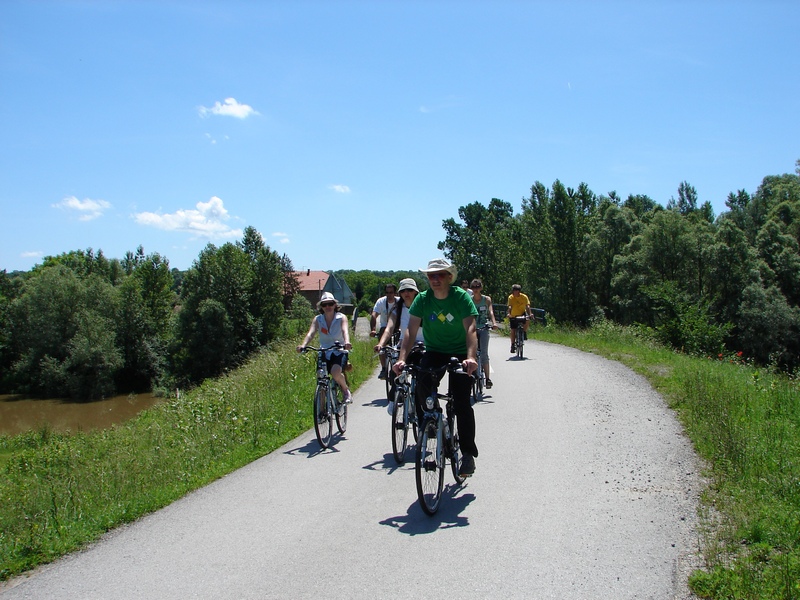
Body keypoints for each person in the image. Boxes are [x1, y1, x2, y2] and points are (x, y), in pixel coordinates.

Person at [393, 258, 480, 477]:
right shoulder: (422, 299)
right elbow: (410, 331)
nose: (435, 279)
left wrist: (470, 358)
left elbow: (470, 328)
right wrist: (402, 358)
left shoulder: (460, 297)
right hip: (434, 351)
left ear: (449, 277)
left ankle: (468, 454)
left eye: (440, 275)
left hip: (460, 352)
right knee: (422, 385)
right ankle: (433, 421)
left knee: (461, 402)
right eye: (431, 275)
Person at [374, 278, 425, 414]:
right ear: (400, 293)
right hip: (404, 344)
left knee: (424, 376)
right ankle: (394, 398)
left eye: (410, 290)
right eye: (403, 290)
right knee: (395, 372)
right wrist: (381, 344)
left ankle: (423, 405)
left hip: (422, 344)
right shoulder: (398, 310)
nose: (406, 293)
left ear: (415, 292)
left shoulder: (424, 306)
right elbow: (389, 329)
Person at [297, 292, 353, 403]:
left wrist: (347, 342)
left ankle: (346, 390)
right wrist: (303, 345)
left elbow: (344, 330)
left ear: (335, 305)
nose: (328, 307)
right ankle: (322, 409)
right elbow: (311, 333)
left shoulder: (341, 317)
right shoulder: (318, 319)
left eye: (330, 304)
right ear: (321, 307)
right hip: (324, 351)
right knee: (320, 377)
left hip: (339, 350)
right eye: (324, 304)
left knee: (335, 372)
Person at [470, 278, 498, 388]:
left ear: (481, 288)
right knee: (471, 354)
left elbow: (491, 311)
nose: (476, 289)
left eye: (477, 287)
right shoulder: (469, 300)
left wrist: (494, 323)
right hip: (472, 329)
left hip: (484, 328)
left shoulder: (486, 299)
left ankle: (487, 379)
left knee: (484, 354)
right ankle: (471, 377)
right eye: (473, 287)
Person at [370, 283, 398, 380]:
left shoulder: (399, 302)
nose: (389, 295)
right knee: (381, 346)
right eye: (387, 292)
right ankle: (384, 368)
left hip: (397, 327)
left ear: (395, 293)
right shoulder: (381, 301)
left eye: (391, 292)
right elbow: (374, 315)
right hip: (385, 326)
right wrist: (373, 329)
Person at [506, 284, 532, 352]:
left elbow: (528, 306)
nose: (514, 293)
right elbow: (510, 306)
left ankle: (524, 332)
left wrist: (530, 314)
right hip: (513, 315)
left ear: (519, 291)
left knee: (527, 319)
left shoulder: (524, 297)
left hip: (522, 313)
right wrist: (508, 313)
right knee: (513, 330)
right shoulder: (511, 297)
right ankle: (512, 345)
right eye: (514, 291)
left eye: (516, 291)